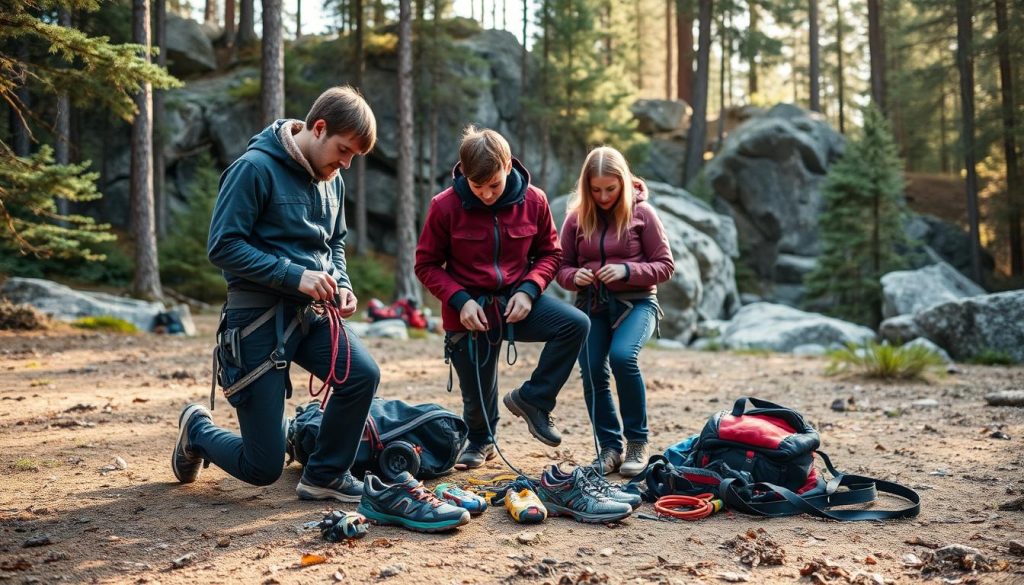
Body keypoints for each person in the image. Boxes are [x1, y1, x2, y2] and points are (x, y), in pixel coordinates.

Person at [171, 86, 380, 502]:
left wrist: (342, 283)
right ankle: (197, 429)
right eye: (343, 150)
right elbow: (224, 247)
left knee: (362, 375)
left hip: (314, 315)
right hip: (258, 321)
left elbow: (334, 243)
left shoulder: (331, 180)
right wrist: (295, 276)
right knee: (262, 467)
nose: (346, 163)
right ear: (318, 128)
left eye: (354, 156)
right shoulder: (253, 168)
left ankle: (325, 474)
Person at [415, 126, 590, 470]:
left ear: (508, 165)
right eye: (478, 187)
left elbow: (551, 255)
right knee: (477, 395)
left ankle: (534, 400)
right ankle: (481, 440)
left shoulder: (535, 201)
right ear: (464, 173)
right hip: (468, 310)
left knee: (575, 325)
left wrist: (529, 290)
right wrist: (459, 300)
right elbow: (427, 264)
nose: (487, 195)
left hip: (518, 302)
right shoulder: (444, 206)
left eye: (493, 184)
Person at [555, 146, 674, 478]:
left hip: (637, 303)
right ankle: (610, 448)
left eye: (611, 188)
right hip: (591, 305)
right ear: (587, 187)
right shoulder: (576, 218)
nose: (604, 196)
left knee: (623, 356)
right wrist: (572, 277)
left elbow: (665, 266)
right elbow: (560, 266)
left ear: (623, 183)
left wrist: (626, 271)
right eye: (596, 189)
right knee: (592, 368)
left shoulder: (643, 214)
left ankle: (637, 442)